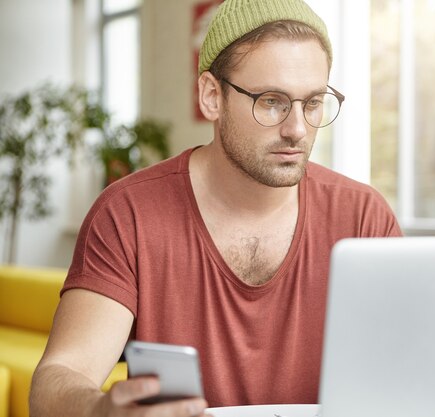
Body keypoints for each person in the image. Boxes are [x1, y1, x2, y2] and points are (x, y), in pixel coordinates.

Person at [29, 0, 402, 416]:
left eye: (313, 103)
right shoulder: (128, 214)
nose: (297, 128)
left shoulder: (364, 218)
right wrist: (99, 411)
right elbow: (57, 378)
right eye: (272, 101)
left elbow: (412, 370)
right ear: (212, 96)